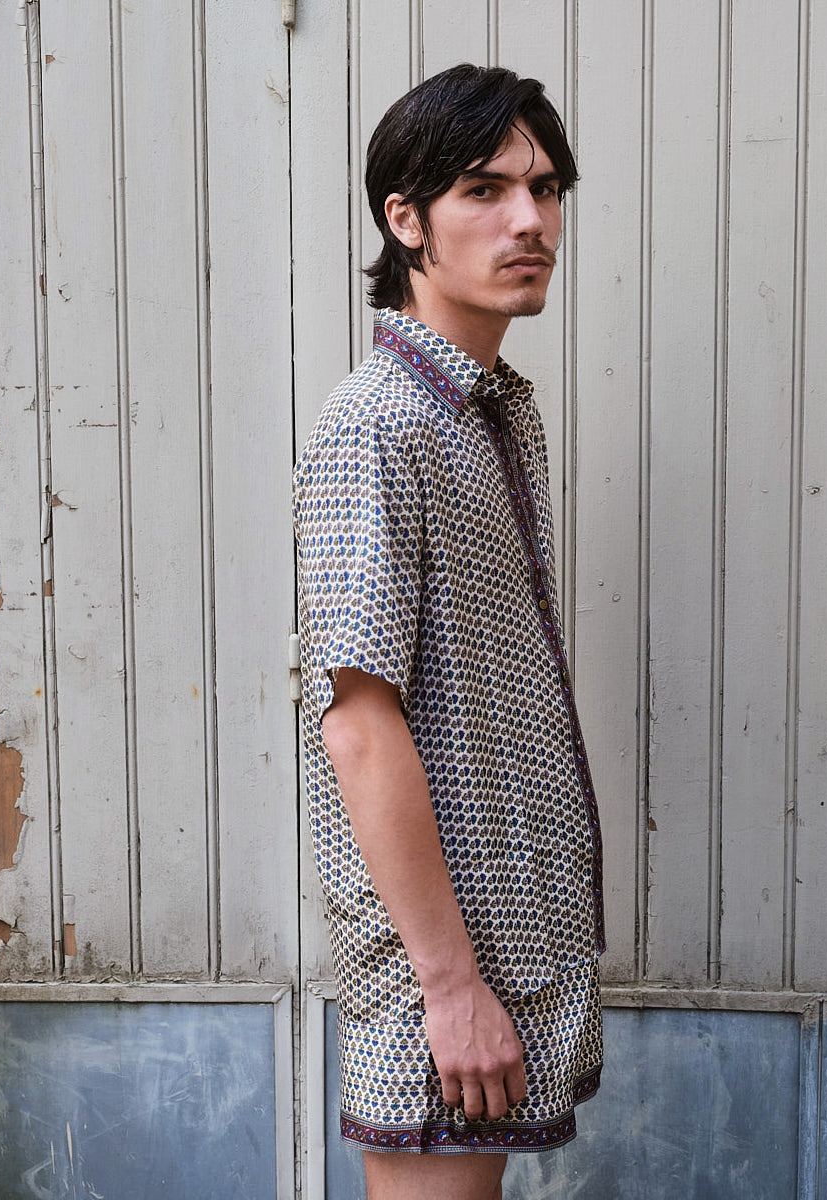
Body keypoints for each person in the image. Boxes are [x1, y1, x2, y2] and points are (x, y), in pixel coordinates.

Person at [293, 63, 605, 1200]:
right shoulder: (378, 425)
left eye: (545, 187)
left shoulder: (486, 410)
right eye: (484, 188)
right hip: (445, 967)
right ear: (405, 220)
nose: (529, 220)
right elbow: (357, 725)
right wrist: (447, 984)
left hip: (508, 940)